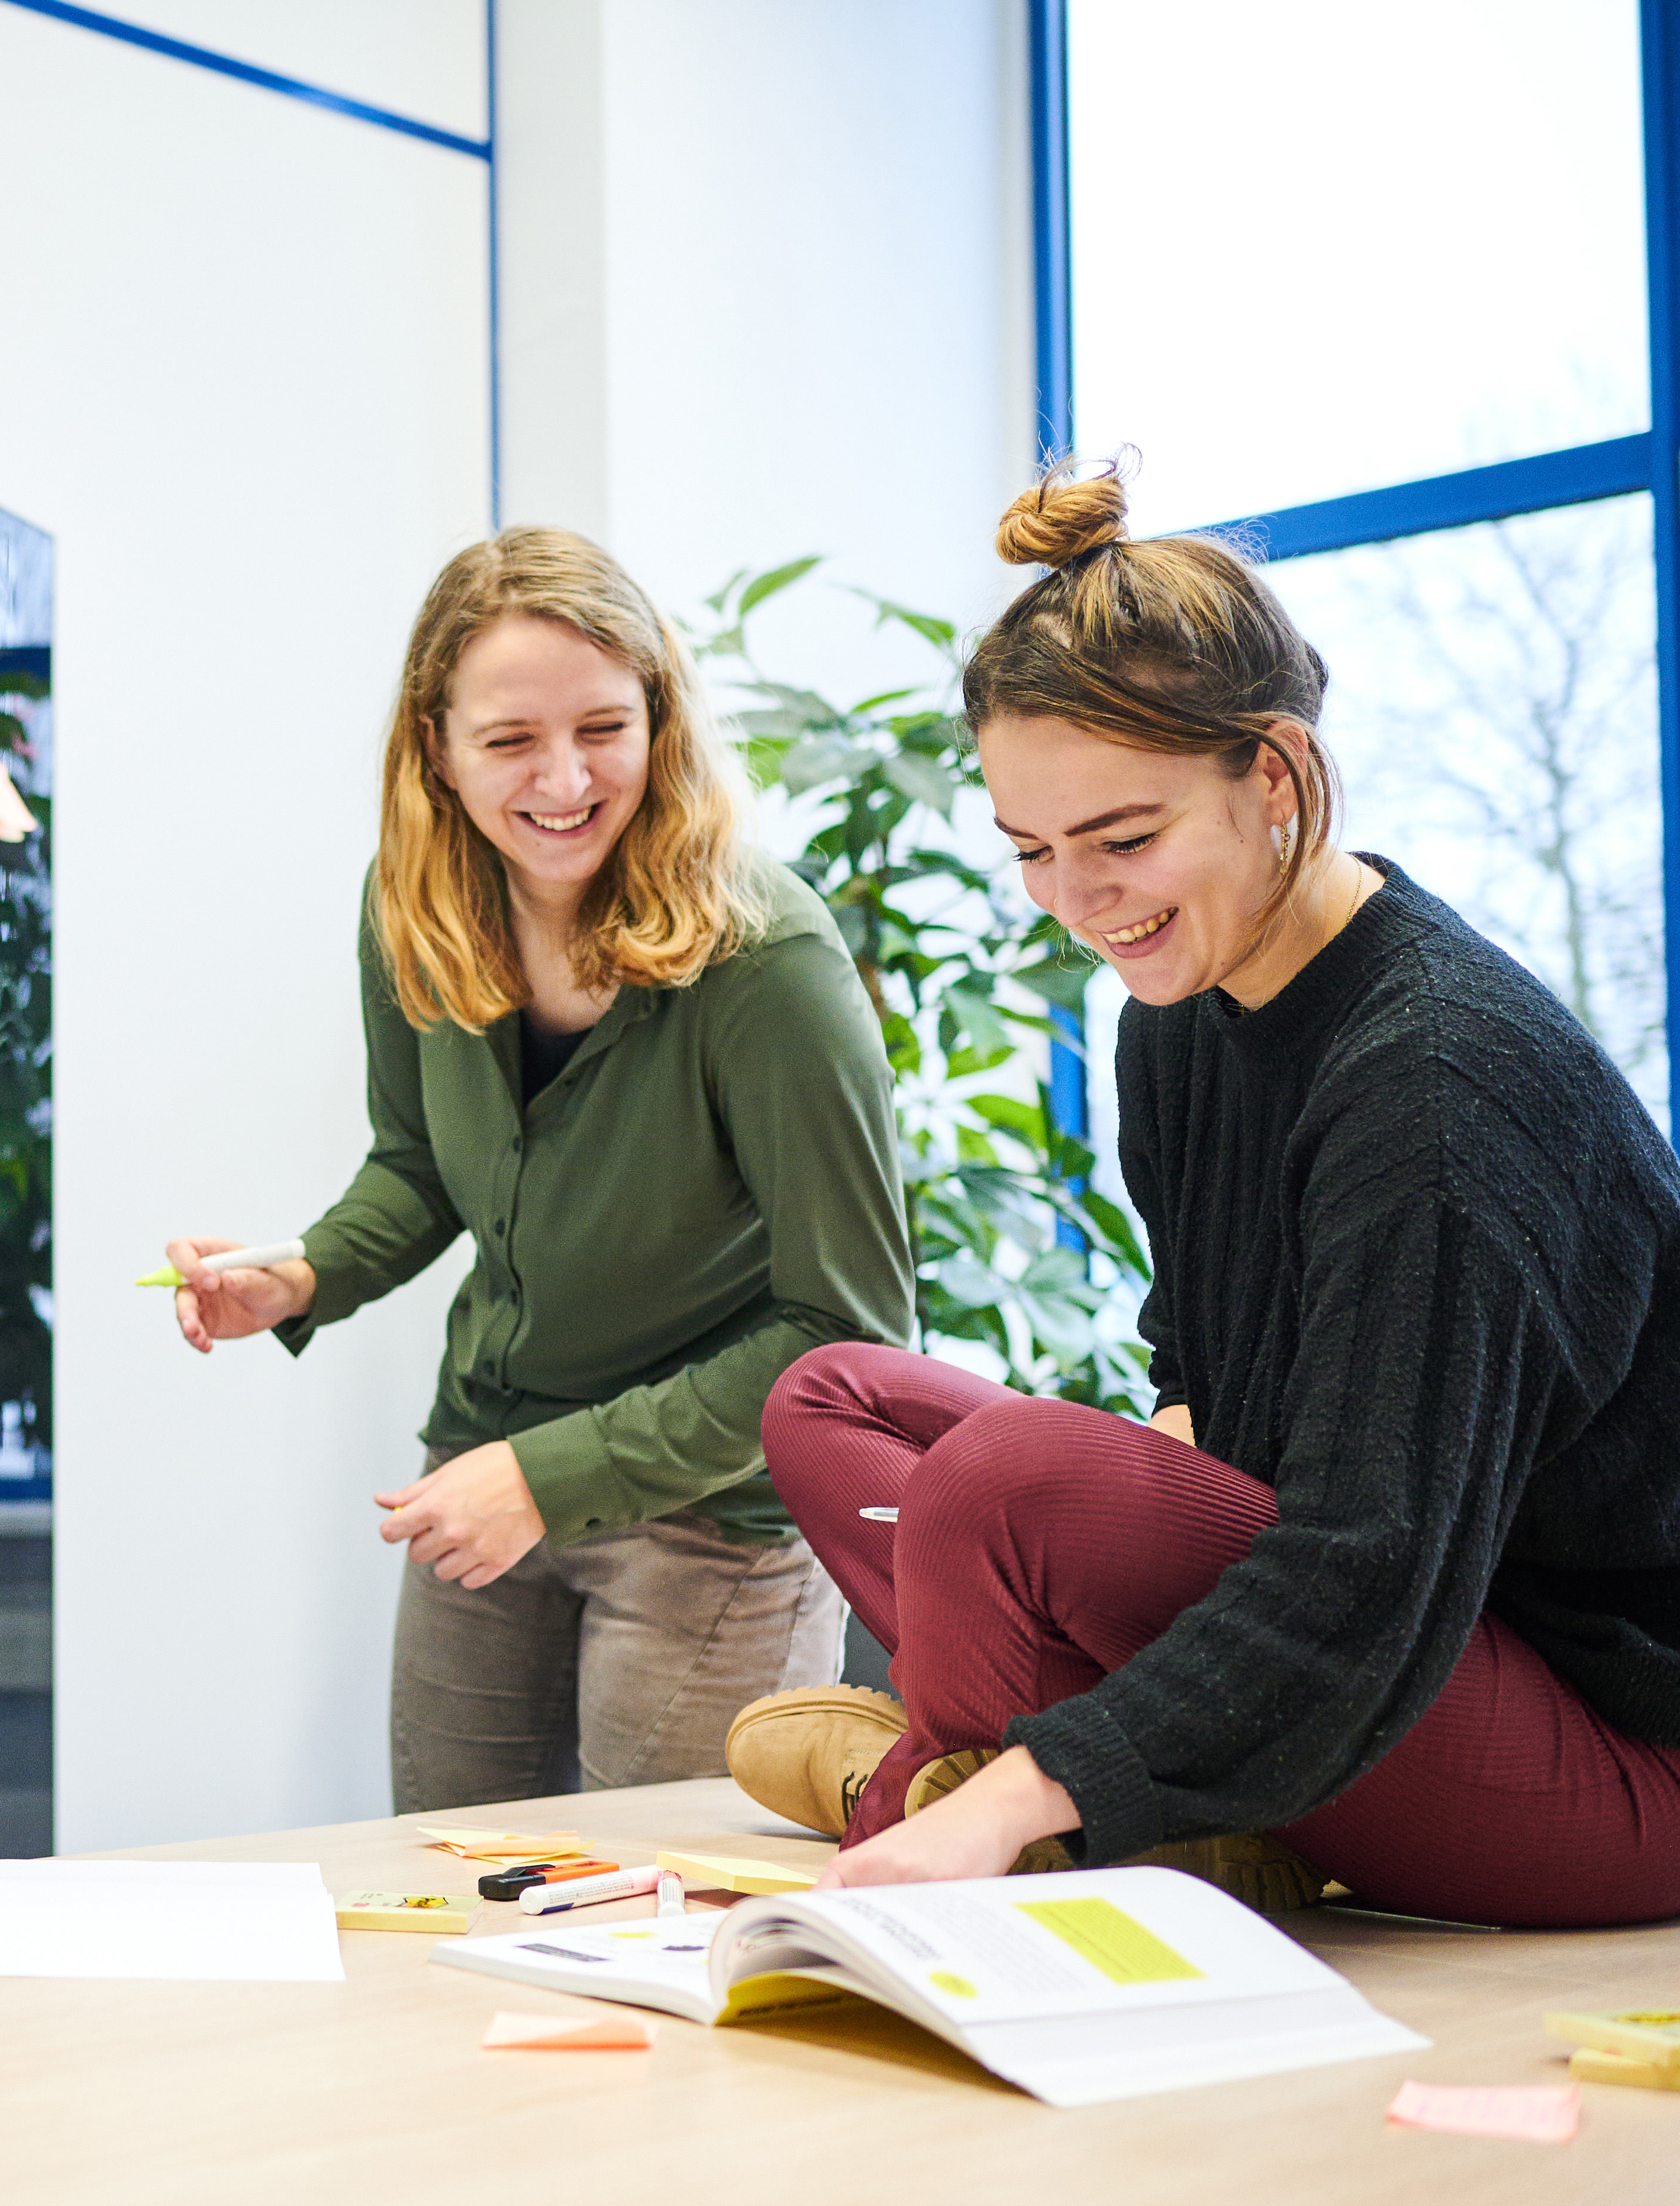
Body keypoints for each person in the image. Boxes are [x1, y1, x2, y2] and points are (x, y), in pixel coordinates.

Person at [730, 466, 1680, 1927]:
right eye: (1031, 850)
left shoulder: (1436, 1084)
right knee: (832, 1398)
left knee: (1008, 1478)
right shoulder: (1173, 1019)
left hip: (1604, 1744)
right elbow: (1196, 1387)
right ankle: (1133, 1801)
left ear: (1275, 778)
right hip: (1376, 1641)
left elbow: (1367, 1570)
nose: (1076, 899)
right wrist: (1094, 1549)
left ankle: (955, 1785)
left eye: (1122, 839)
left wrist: (1014, 1783)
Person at [165, 527, 914, 1810]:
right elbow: (418, 1162)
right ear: (436, 746)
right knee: (442, 1884)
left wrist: (547, 1476)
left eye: (603, 728)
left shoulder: (768, 962)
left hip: (708, 1518)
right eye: (510, 739)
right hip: (482, 1470)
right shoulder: (412, 903)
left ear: (659, 717)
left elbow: (848, 1337)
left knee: (666, 1899)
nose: (563, 781)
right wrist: (301, 1275)